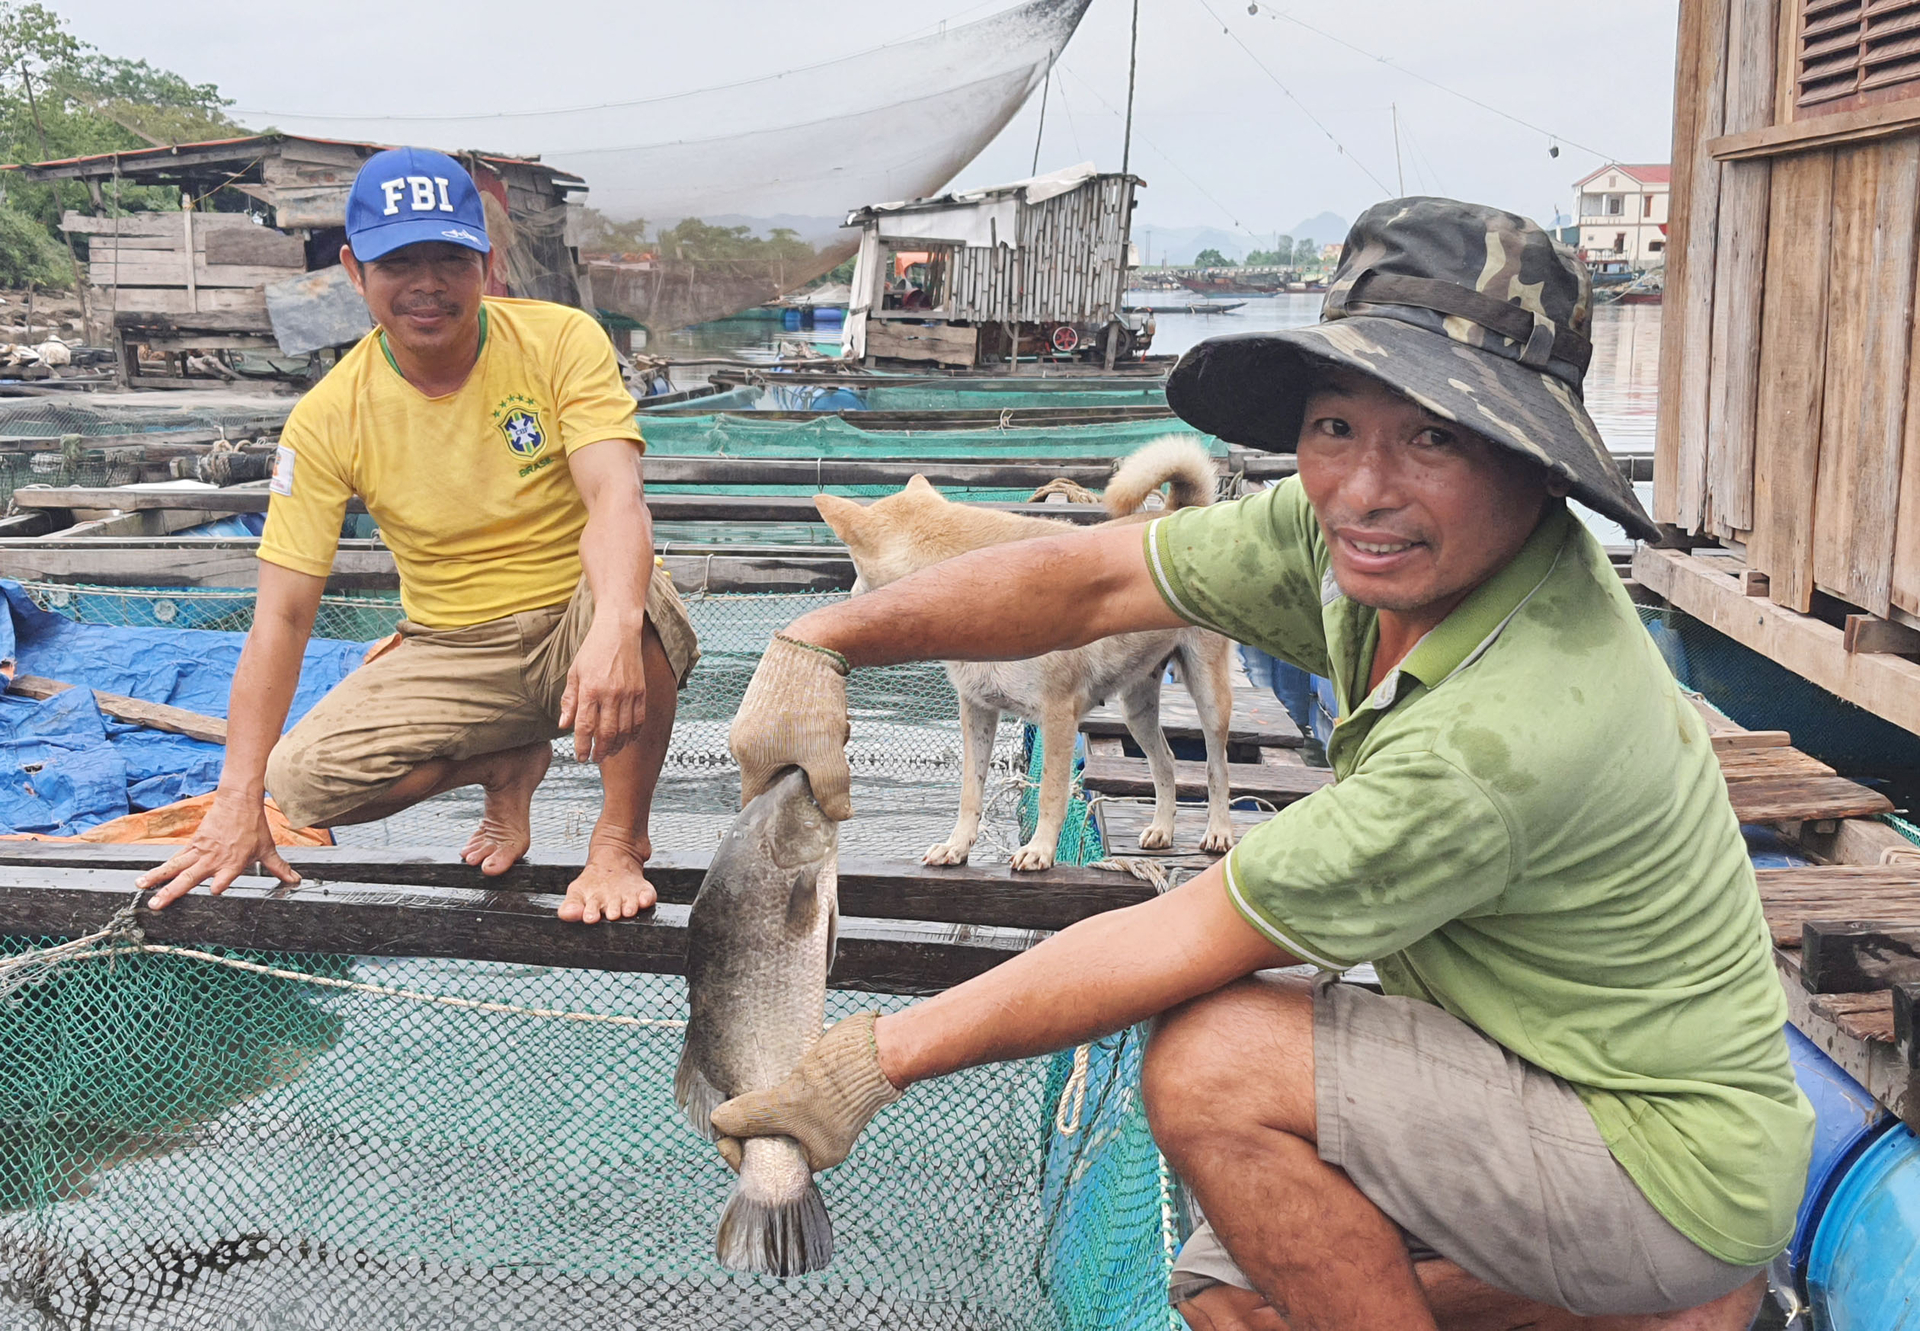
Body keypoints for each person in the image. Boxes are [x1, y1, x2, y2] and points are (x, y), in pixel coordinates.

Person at [715, 199, 1814, 1329]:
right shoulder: (1353, 536)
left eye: (1435, 435)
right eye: (1336, 425)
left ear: (1536, 466)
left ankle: (1685, 1280)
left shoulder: (1507, 732)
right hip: (1541, 1061)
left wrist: (869, 1062)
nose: (1364, 488)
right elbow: (1095, 576)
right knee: (1225, 1294)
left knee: (1214, 1064)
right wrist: (823, 642)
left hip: (1663, 1160)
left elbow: (1181, 935)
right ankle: (1686, 1310)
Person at [137, 147, 698, 923]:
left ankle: (618, 841)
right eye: (399, 262)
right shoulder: (329, 416)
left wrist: (610, 623)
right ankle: (505, 764)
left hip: (576, 615)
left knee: (643, 606)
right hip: (454, 646)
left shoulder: (561, 340)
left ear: (487, 265)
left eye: (449, 258)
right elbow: (283, 614)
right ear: (354, 271)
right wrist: (237, 800)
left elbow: (615, 496)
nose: (427, 283)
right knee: (301, 782)